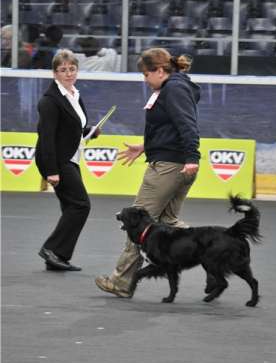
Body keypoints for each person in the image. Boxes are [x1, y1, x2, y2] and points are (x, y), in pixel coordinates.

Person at [95, 47, 201, 298]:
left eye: (146, 74)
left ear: (160, 71)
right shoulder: (175, 87)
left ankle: (121, 281)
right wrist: (146, 146)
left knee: (137, 222)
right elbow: (171, 127)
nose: (144, 79)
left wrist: (192, 157)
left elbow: (187, 124)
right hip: (176, 163)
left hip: (168, 168)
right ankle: (211, 246)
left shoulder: (173, 89)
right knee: (168, 223)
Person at [35, 49, 100, 271]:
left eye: (72, 69)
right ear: (55, 74)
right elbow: (47, 137)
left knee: (71, 206)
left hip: (70, 158)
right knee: (81, 205)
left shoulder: (75, 95)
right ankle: (52, 249)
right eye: (63, 70)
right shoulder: (50, 101)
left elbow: (71, 128)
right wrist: (51, 171)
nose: (68, 73)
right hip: (57, 161)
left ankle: (58, 257)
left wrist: (90, 131)